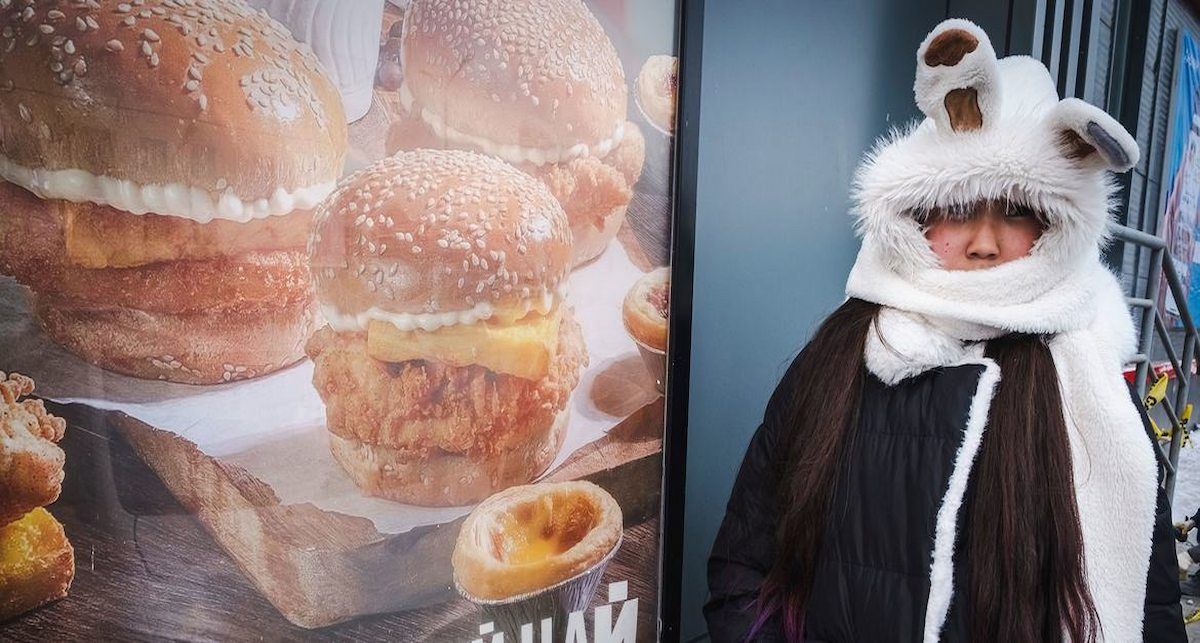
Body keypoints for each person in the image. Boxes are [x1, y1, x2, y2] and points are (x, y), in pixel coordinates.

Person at [704, 19, 1185, 642]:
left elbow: (1150, 607)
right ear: (916, 215)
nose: (985, 244)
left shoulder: (1092, 386)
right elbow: (746, 562)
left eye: (1017, 211)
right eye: (959, 208)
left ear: (1055, 227)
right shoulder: (843, 355)